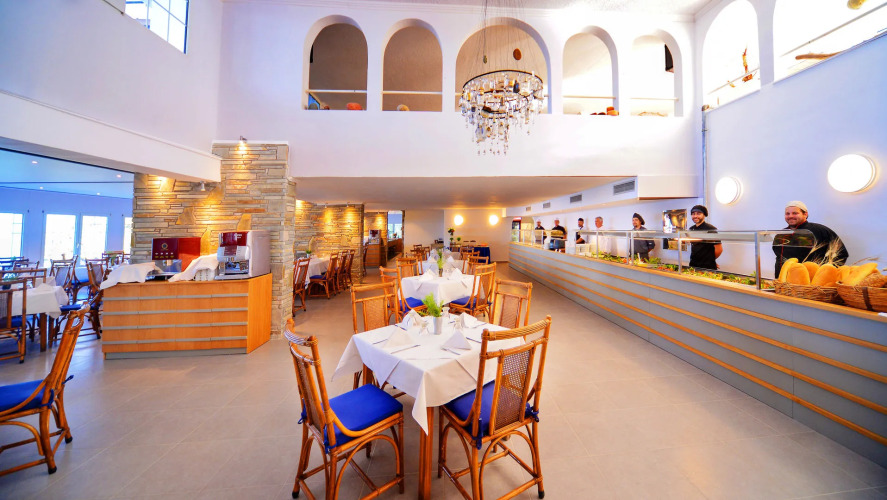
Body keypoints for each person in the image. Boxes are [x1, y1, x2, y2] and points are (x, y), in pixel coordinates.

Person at [772, 201, 848, 278]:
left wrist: (826, 275)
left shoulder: (820, 230)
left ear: (805, 214)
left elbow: (841, 253)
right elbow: (779, 258)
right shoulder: (781, 234)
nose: (790, 216)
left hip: (810, 282)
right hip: (782, 281)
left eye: (795, 213)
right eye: (787, 214)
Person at [688, 205, 722, 270]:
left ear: (704, 215)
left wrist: (711, 260)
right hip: (693, 264)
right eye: (693, 214)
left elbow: (719, 249)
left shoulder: (710, 229)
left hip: (707, 266)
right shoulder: (691, 229)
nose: (695, 216)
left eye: (698, 214)